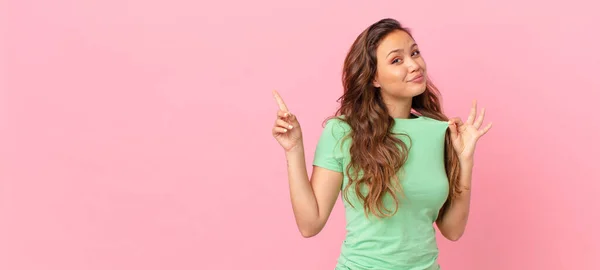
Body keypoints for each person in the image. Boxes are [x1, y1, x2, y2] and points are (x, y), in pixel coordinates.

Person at [271, 18, 492, 270]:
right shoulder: (343, 131)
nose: (414, 65)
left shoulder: (440, 131)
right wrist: (294, 149)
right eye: (397, 60)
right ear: (374, 78)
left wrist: (465, 161)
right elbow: (310, 224)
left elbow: (452, 230)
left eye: (415, 53)